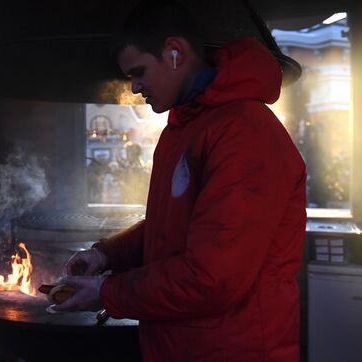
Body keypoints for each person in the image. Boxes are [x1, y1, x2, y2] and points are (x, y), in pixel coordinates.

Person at [50, 1, 307, 361]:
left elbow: (211, 278)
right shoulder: (184, 129)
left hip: (233, 349)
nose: (135, 87)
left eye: (139, 72)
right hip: (182, 346)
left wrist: (106, 292)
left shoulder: (245, 132)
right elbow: (169, 228)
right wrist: (105, 254)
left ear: (175, 52)